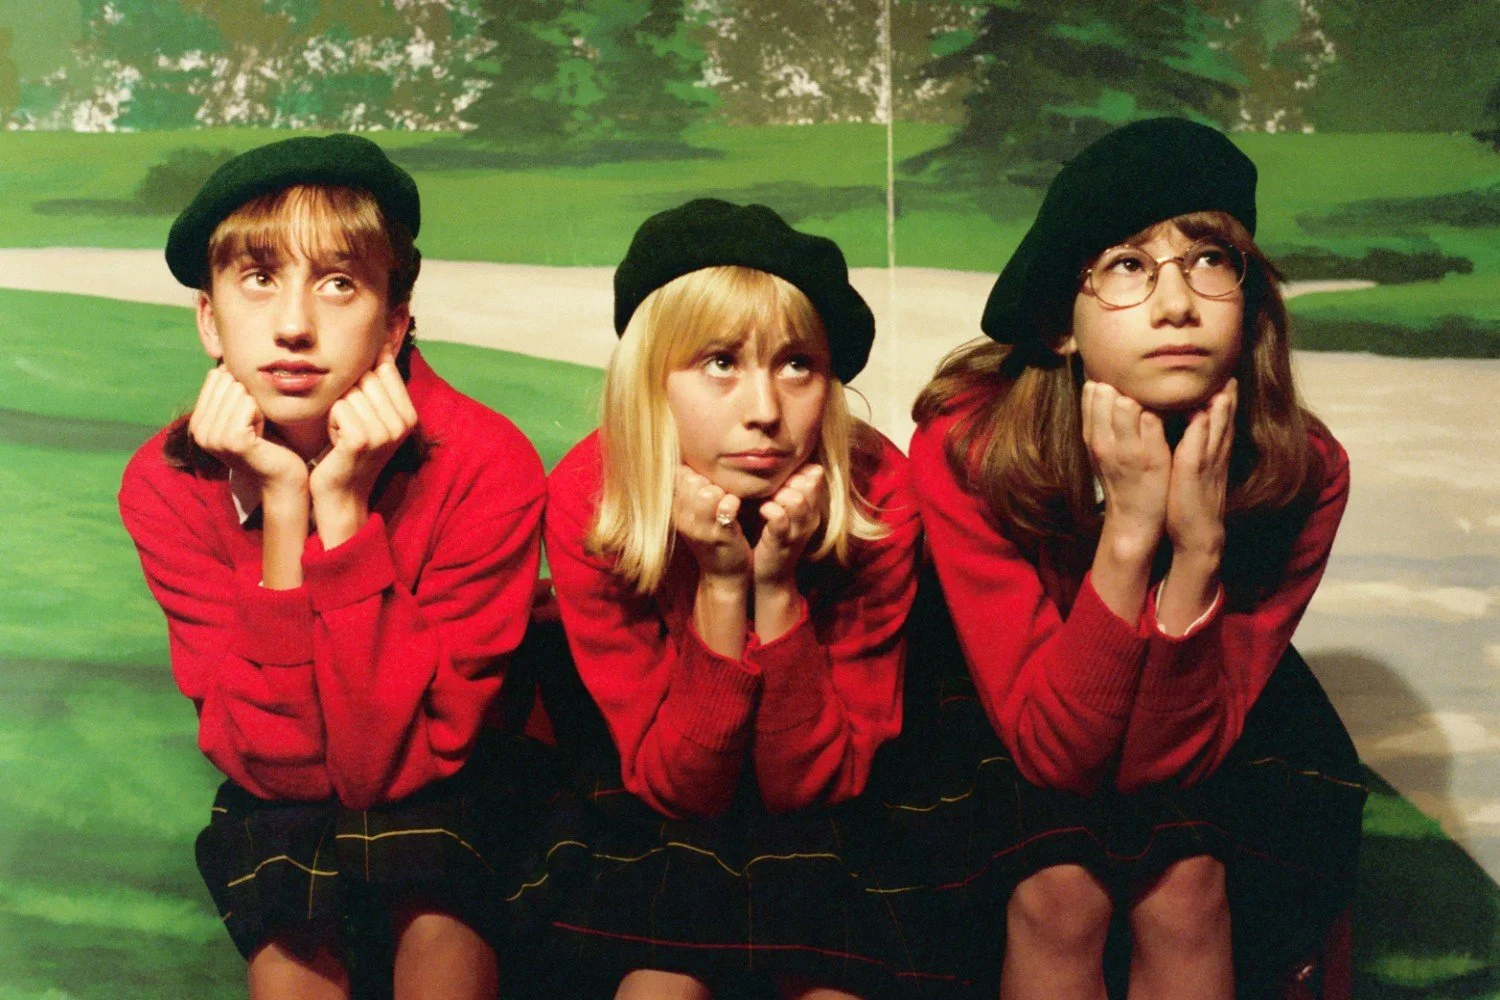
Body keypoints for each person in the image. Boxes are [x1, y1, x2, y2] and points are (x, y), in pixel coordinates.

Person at [906, 119, 1365, 999]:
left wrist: (1196, 553)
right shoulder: (968, 444)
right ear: (1060, 326)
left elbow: (1172, 762)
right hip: (1005, 705)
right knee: (1060, 891)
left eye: (1209, 261)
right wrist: (1128, 534)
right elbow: (1055, 755)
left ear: (1250, 305)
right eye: (1126, 266)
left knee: (1185, 892)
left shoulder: (1306, 469)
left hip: (1207, 702)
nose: (1176, 304)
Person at [118, 134, 546, 999]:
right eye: (258, 278)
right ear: (209, 320)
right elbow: (275, 769)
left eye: (339, 282)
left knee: (436, 906)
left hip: (458, 783)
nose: (293, 325)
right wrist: (285, 507)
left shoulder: (486, 462)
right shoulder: (165, 484)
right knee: (287, 916)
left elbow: (392, 768)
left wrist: (343, 511)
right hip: (281, 788)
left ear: (394, 323)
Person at [538, 199, 924, 999]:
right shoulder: (590, 494)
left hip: (835, 819)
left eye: (797, 365)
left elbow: (813, 786)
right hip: (656, 815)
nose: (765, 411)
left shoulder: (880, 489)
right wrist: (720, 582)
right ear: (649, 378)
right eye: (720, 362)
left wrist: (775, 587)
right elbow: (681, 788)